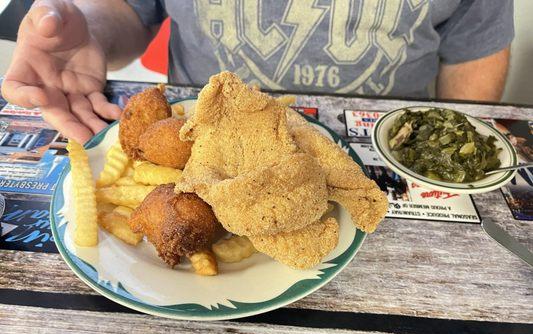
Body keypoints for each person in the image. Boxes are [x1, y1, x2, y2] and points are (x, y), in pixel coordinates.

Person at [1, 0, 514, 143]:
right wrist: (89, 31)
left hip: (387, 146)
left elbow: (474, 48)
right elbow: (128, 11)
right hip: (201, 138)